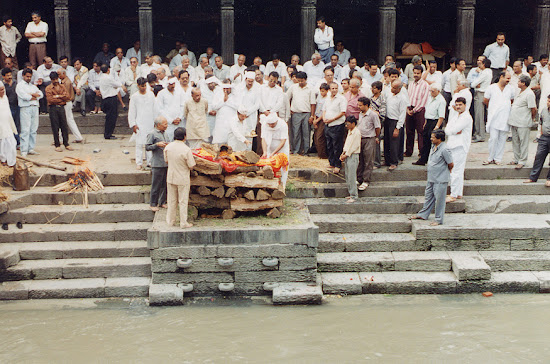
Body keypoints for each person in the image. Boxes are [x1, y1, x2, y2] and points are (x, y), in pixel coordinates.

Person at [410, 129, 454, 225]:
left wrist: (446, 171)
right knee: (428, 197)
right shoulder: (433, 146)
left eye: (433, 137)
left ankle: (438, 219)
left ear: (439, 139)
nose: (431, 139)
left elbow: (450, 163)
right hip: (431, 177)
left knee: (440, 200)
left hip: (440, 179)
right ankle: (423, 214)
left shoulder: (444, 149)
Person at [164, 127, 195, 229]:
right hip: (182, 177)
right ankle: (183, 222)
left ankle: (170, 221)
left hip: (171, 176)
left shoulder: (168, 147)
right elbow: (191, 165)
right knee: (183, 201)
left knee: (171, 200)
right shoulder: (186, 149)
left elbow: (166, 160)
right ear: (185, 136)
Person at [445, 97, 472, 202]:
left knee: (456, 171)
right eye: (457, 105)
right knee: (457, 171)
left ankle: (453, 194)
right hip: (452, 145)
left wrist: (453, 130)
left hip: (460, 146)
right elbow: (447, 130)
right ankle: (458, 193)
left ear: (465, 105)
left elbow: (454, 129)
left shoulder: (466, 117)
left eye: (460, 105)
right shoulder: (455, 116)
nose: (458, 107)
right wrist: (453, 130)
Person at [483, 71, 514, 165]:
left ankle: (498, 158)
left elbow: (511, 100)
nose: (508, 80)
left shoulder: (511, 88)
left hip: (505, 117)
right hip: (493, 117)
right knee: (493, 138)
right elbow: (485, 100)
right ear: (501, 76)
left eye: (509, 78)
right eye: (507, 78)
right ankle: (490, 158)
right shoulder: (491, 87)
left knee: (502, 139)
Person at [508, 75, 537, 169]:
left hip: (523, 121)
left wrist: (531, 118)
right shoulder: (519, 92)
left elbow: (533, 109)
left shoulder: (529, 94)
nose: (518, 83)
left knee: (523, 142)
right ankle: (516, 158)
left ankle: (522, 160)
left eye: (519, 81)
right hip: (514, 121)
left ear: (524, 83)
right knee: (515, 141)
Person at [414, 83, 446, 166]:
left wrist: (437, 127)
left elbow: (441, 116)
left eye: (433, 91)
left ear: (438, 91)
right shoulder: (430, 97)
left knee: (433, 141)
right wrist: (425, 122)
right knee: (425, 140)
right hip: (428, 121)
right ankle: (423, 159)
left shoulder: (441, 100)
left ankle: (434, 160)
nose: (431, 92)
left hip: (435, 122)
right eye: (430, 91)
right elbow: (427, 110)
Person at [128, 77, 155, 170]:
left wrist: (155, 121)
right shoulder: (134, 97)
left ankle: (150, 162)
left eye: (145, 86)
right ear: (138, 86)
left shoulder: (151, 95)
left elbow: (155, 108)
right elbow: (132, 111)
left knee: (149, 143)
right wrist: (133, 124)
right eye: (142, 86)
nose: (143, 88)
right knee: (139, 144)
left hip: (150, 121)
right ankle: (139, 162)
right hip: (139, 122)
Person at [287, 71, 315, 155]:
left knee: (306, 133)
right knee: (295, 133)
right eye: (298, 81)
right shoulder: (293, 87)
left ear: (305, 80)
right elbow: (286, 98)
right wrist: (289, 109)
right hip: (295, 113)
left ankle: (306, 151)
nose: (300, 82)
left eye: (302, 81)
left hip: (306, 113)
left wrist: (312, 116)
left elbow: (313, 103)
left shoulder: (310, 88)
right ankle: (296, 151)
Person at [524, 95, 550, 186]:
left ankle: (549, 179)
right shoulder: (544, 111)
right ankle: (533, 177)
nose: (548, 103)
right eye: (548, 101)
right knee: (539, 156)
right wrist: (542, 135)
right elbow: (541, 123)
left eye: (549, 101)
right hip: (544, 137)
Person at [16, 68, 42, 156]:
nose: (28, 78)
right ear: (23, 76)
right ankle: (24, 149)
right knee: (25, 129)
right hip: (25, 108)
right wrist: (33, 95)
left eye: (30, 77)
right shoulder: (20, 85)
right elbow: (24, 96)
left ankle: (31, 148)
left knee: (33, 129)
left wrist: (32, 95)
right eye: (27, 76)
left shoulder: (32, 86)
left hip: (34, 107)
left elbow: (40, 94)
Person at [145, 116, 169, 211]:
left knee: (165, 184)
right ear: (158, 125)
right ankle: (153, 203)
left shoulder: (165, 133)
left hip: (165, 162)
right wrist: (157, 145)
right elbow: (147, 147)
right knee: (156, 184)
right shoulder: (152, 134)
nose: (166, 126)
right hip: (157, 163)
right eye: (165, 124)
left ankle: (162, 201)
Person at [356, 97, 381, 190]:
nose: (358, 107)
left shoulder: (373, 115)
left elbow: (377, 127)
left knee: (368, 160)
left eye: (360, 105)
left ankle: (366, 180)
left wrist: (376, 137)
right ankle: (359, 178)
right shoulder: (360, 114)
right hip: (360, 138)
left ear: (366, 105)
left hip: (369, 138)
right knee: (360, 159)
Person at [405, 65, 429, 157]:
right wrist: (408, 108)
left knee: (420, 132)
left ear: (421, 73)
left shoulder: (425, 85)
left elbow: (424, 101)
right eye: (414, 73)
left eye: (418, 73)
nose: (416, 75)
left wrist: (414, 110)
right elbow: (408, 96)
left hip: (419, 110)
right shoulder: (411, 83)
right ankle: (408, 151)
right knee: (409, 131)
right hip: (409, 108)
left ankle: (421, 152)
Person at [260, 112, 290, 186]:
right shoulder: (264, 124)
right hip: (269, 145)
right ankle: (270, 185)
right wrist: (265, 151)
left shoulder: (283, 124)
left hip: (281, 147)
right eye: (269, 124)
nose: (270, 125)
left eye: (272, 124)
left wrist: (274, 153)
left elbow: (283, 141)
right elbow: (263, 139)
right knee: (269, 165)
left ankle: (282, 185)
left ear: (276, 121)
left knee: (283, 166)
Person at [45, 71, 72, 152]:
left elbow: (67, 97)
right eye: (54, 79)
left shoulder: (62, 86)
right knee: (55, 126)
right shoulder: (48, 88)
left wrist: (57, 96)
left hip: (61, 107)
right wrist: (61, 98)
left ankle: (66, 143)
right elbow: (50, 99)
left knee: (64, 125)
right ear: (51, 79)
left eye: (56, 79)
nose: (56, 81)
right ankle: (57, 144)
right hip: (53, 108)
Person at [385, 79, 408, 170]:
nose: (392, 89)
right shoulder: (389, 94)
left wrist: (398, 127)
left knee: (394, 142)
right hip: (388, 120)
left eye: (394, 88)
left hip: (396, 121)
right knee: (387, 141)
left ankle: (394, 162)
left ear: (399, 89)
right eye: (392, 87)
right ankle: (387, 160)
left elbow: (402, 114)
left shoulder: (402, 98)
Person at [323, 82, 346, 173]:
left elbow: (343, 112)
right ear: (329, 89)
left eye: (336, 88)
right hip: (328, 125)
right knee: (329, 145)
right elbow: (324, 109)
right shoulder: (327, 98)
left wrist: (332, 119)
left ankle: (338, 164)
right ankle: (331, 162)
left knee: (337, 146)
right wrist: (324, 118)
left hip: (337, 125)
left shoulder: (341, 99)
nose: (334, 90)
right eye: (332, 88)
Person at [57, 68, 83, 143]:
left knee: (66, 120)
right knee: (68, 120)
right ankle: (78, 137)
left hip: (66, 102)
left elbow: (65, 95)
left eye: (59, 74)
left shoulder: (66, 82)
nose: (58, 76)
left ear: (64, 74)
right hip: (66, 102)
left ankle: (61, 139)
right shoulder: (65, 81)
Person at [470, 58, 492, 142]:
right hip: (483, 93)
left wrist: (476, 84)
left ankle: (480, 135)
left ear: (484, 64)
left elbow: (473, 84)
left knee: (479, 115)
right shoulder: (488, 72)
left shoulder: (485, 73)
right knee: (480, 115)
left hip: (480, 93)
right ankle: (478, 133)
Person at [340, 115, 361, 203]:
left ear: (353, 123)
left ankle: (354, 195)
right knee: (348, 175)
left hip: (353, 155)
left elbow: (354, 146)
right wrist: (343, 152)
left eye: (348, 124)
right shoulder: (350, 131)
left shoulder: (357, 132)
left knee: (352, 176)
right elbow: (347, 144)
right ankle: (350, 193)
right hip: (347, 155)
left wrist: (346, 154)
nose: (346, 126)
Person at [99, 64, 122, 140]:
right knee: (111, 117)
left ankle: (108, 133)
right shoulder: (108, 78)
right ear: (108, 70)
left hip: (105, 98)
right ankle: (108, 134)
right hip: (111, 98)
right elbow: (118, 84)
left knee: (109, 117)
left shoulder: (101, 77)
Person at [0, 81, 17, 166]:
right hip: (1, 125)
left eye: (3, 90)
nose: (2, 92)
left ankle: (11, 161)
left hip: (7, 123)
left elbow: (8, 112)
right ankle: (3, 159)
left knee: (11, 142)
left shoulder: (5, 98)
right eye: (0, 90)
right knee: (2, 143)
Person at [370, 81, 386, 168]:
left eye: (375, 88)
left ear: (379, 89)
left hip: (378, 122)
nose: (373, 90)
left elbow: (382, 114)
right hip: (370, 122)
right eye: (372, 88)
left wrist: (373, 111)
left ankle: (377, 162)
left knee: (376, 141)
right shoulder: (371, 98)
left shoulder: (382, 99)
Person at [2, 67, 19, 143]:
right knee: (9, 125)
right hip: (7, 107)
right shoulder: (2, 85)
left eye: (10, 75)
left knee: (17, 124)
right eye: (7, 75)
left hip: (17, 106)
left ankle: (17, 142)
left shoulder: (16, 83)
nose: (9, 76)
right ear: (3, 76)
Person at [313, 83, 329, 159]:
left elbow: (324, 112)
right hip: (317, 118)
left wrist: (317, 120)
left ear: (327, 91)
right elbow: (317, 109)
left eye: (323, 91)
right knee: (316, 137)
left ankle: (323, 155)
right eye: (321, 91)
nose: (322, 93)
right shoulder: (319, 98)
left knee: (320, 137)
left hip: (322, 119)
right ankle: (319, 154)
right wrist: (315, 119)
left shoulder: (327, 99)